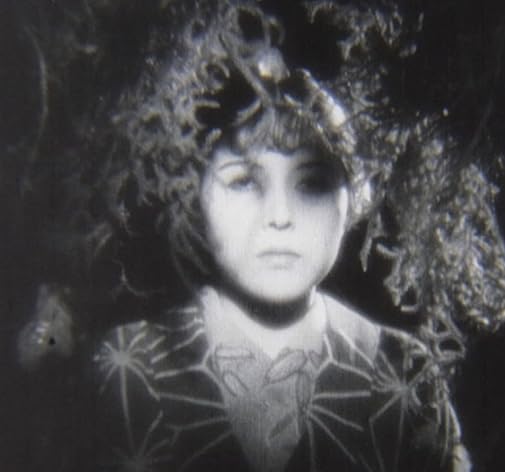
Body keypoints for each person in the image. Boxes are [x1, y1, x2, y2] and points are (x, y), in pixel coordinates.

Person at [69, 2, 469, 471]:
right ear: (193, 195)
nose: (280, 216)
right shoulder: (125, 367)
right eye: (243, 181)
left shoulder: (405, 373)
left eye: (312, 183)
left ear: (355, 197)